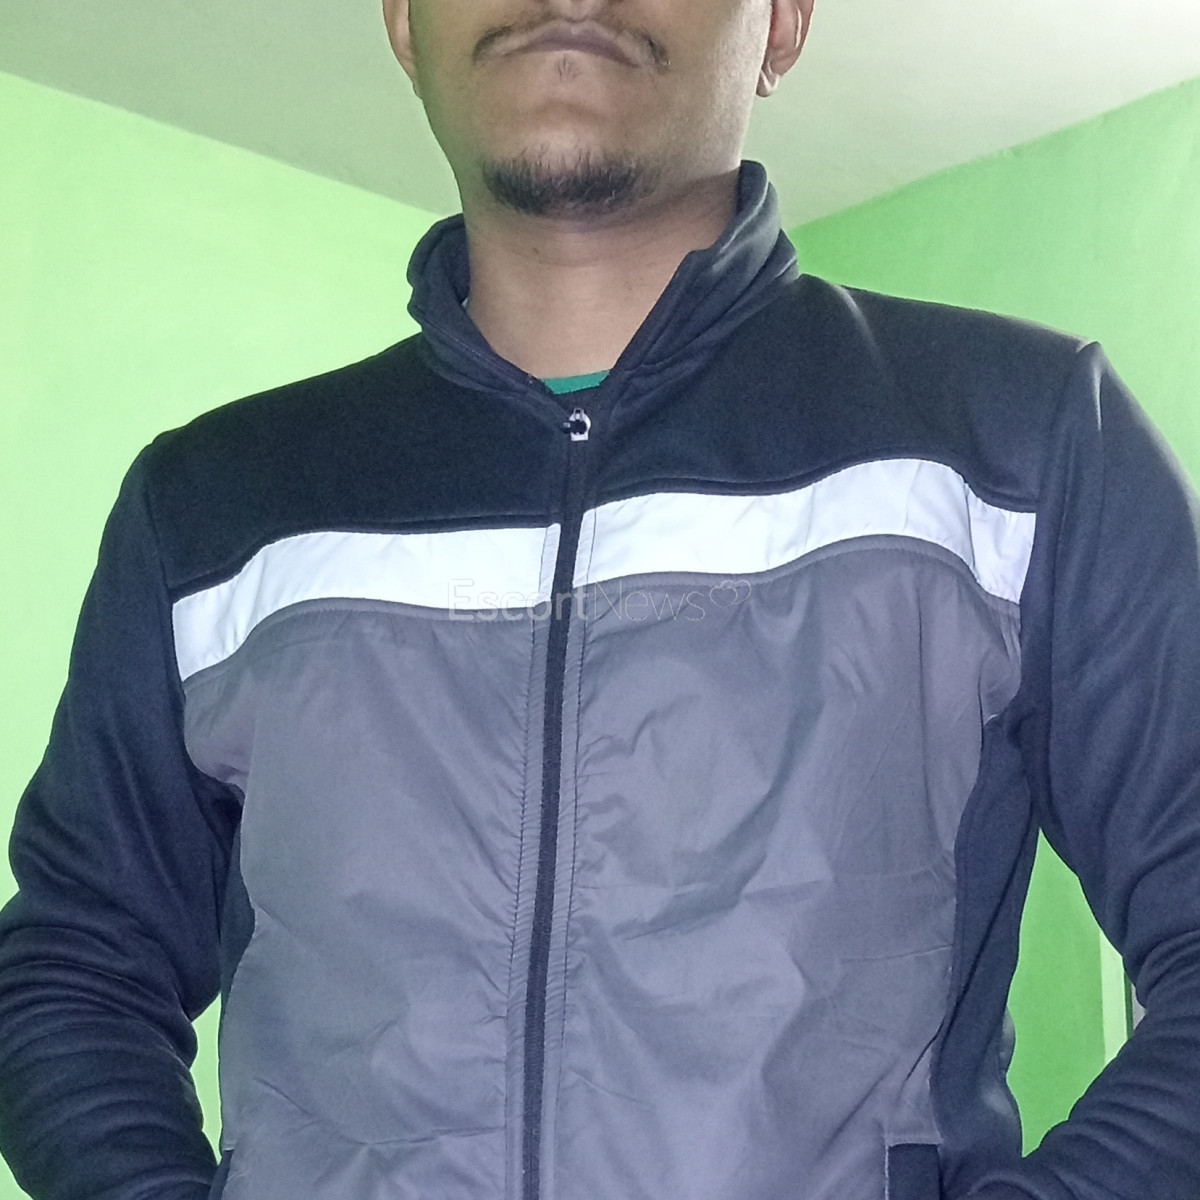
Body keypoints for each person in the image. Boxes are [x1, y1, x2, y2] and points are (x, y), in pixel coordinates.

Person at [1, 0, 1199, 1196]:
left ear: (783, 25)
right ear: (406, 24)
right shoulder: (208, 506)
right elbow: (71, 970)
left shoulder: (1024, 439)